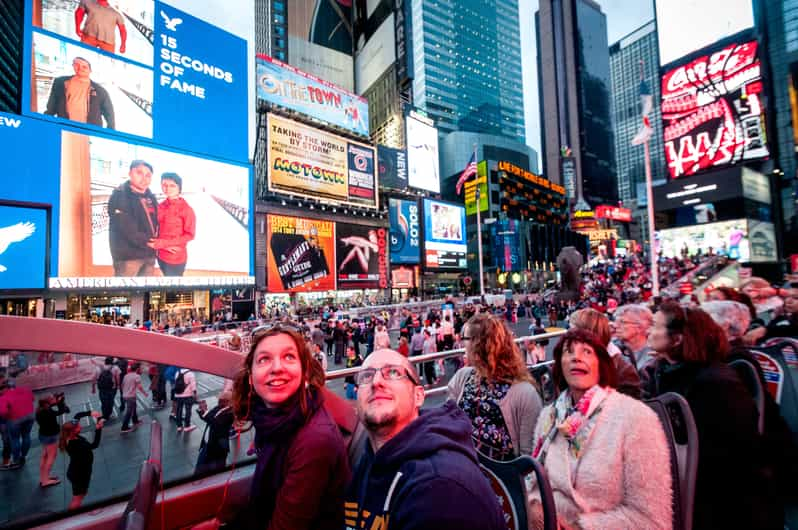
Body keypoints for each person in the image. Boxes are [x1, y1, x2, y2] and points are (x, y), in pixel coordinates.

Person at [643, 302, 782, 529]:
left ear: (677, 339)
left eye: (655, 325)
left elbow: (733, 454)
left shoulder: (716, 382)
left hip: (726, 503)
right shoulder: (666, 372)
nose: (649, 331)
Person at [527, 329, 672, 530]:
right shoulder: (548, 416)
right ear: (560, 364)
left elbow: (652, 519)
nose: (576, 357)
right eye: (568, 352)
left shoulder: (635, 416)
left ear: (601, 365)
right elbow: (533, 484)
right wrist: (533, 509)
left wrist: (580, 527)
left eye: (587, 352)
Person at [345, 348, 505, 529]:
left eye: (393, 372)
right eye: (366, 376)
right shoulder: (368, 460)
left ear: (418, 396)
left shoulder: (441, 490)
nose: (376, 381)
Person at [230, 323, 349, 529]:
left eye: (289, 357)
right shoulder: (272, 420)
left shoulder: (314, 441)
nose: (277, 368)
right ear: (251, 377)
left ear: (304, 372)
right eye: (264, 359)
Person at [448, 313, 542, 460]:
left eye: (464, 338)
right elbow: (448, 423)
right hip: (459, 466)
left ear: (478, 344)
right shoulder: (462, 377)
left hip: (499, 478)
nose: (460, 343)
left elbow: (528, 457)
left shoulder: (525, 394)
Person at [569, 308, 641, 398]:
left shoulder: (621, 369)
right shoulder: (578, 359)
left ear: (587, 333)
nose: (568, 335)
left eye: (572, 330)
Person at [108, 160, 159, 276]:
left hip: (149, 254)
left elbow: (157, 223)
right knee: (124, 293)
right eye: (139, 173)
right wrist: (151, 242)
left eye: (148, 175)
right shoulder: (120, 195)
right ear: (130, 173)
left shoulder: (150, 197)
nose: (144, 178)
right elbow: (126, 228)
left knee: (144, 293)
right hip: (129, 257)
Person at [44, 56, 115, 128]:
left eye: (84, 67)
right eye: (77, 65)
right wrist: (44, 123)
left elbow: (109, 114)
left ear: (90, 70)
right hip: (65, 128)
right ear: (73, 66)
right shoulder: (60, 83)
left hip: (89, 131)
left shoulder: (100, 91)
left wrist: (111, 131)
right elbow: (51, 107)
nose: (80, 69)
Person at [148, 173, 196, 277]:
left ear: (179, 187)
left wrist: (163, 244)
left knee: (174, 289)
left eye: (172, 185)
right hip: (160, 254)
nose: (167, 188)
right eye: (164, 185)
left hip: (175, 258)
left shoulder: (186, 209)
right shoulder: (160, 206)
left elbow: (190, 235)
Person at [59, 411, 105, 509]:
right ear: (73, 431)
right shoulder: (76, 445)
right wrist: (98, 429)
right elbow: (94, 445)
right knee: (78, 498)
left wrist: (90, 413)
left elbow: (77, 415)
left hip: (78, 471)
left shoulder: (70, 437)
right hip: (79, 474)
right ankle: (71, 518)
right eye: (79, 427)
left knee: (81, 494)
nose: (81, 427)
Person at [195, 392, 235, 476]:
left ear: (227, 401)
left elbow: (216, 422)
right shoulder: (219, 407)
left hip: (218, 447)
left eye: (221, 400)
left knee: (215, 471)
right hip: (208, 444)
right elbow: (208, 417)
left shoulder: (230, 412)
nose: (219, 401)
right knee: (199, 469)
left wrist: (205, 410)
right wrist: (201, 410)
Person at [35, 392, 70, 487]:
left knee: (45, 456)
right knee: (51, 457)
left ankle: (43, 478)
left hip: (43, 435)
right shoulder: (48, 412)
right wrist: (60, 402)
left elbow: (56, 408)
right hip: (50, 436)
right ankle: (45, 481)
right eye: (52, 398)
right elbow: (61, 411)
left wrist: (57, 401)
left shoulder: (40, 409)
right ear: (48, 401)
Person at [0, 379, 35, 469]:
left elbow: (3, 412)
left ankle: (16, 460)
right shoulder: (26, 390)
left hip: (14, 419)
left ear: (6, 387)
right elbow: (32, 399)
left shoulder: (4, 397)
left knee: (15, 439)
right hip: (30, 416)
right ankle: (23, 456)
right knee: (26, 436)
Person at [611, 304, 655, 371]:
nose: (615, 325)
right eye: (616, 322)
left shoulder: (655, 354)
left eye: (622, 322)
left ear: (641, 326)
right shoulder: (611, 348)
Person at [120, 362, 147, 433]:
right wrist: (145, 393)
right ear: (137, 369)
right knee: (129, 412)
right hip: (130, 396)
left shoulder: (126, 375)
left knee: (134, 407)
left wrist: (125, 392)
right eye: (141, 369)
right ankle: (124, 427)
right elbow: (139, 387)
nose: (141, 370)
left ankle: (135, 421)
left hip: (125, 395)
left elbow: (122, 385)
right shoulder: (137, 376)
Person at [174, 367, 197, 433]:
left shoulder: (177, 372)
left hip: (178, 394)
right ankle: (187, 426)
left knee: (179, 410)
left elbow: (176, 382)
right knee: (188, 410)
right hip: (188, 395)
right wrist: (195, 394)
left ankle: (179, 426)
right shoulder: (191, 374)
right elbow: (193, 385)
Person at [93, 356, 117, 420]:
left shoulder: (98, 369)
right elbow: (116, 378)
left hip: (102, 389)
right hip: (110, 389)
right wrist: (116, 386)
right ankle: (109, 414)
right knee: (110, 402)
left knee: (104, 403)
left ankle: (105, 416)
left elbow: (93, 379)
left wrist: (93, 388)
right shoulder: (114, 368)